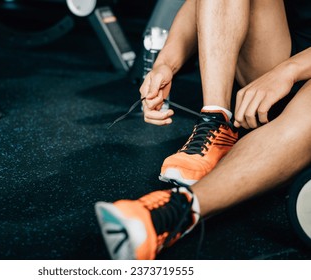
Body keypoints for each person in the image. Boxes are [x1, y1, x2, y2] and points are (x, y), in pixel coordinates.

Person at [95, 0, 311, 260]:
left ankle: (171, 214)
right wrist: (165, 64)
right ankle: (216, 121)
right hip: (275, 56)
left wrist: (288, 71)